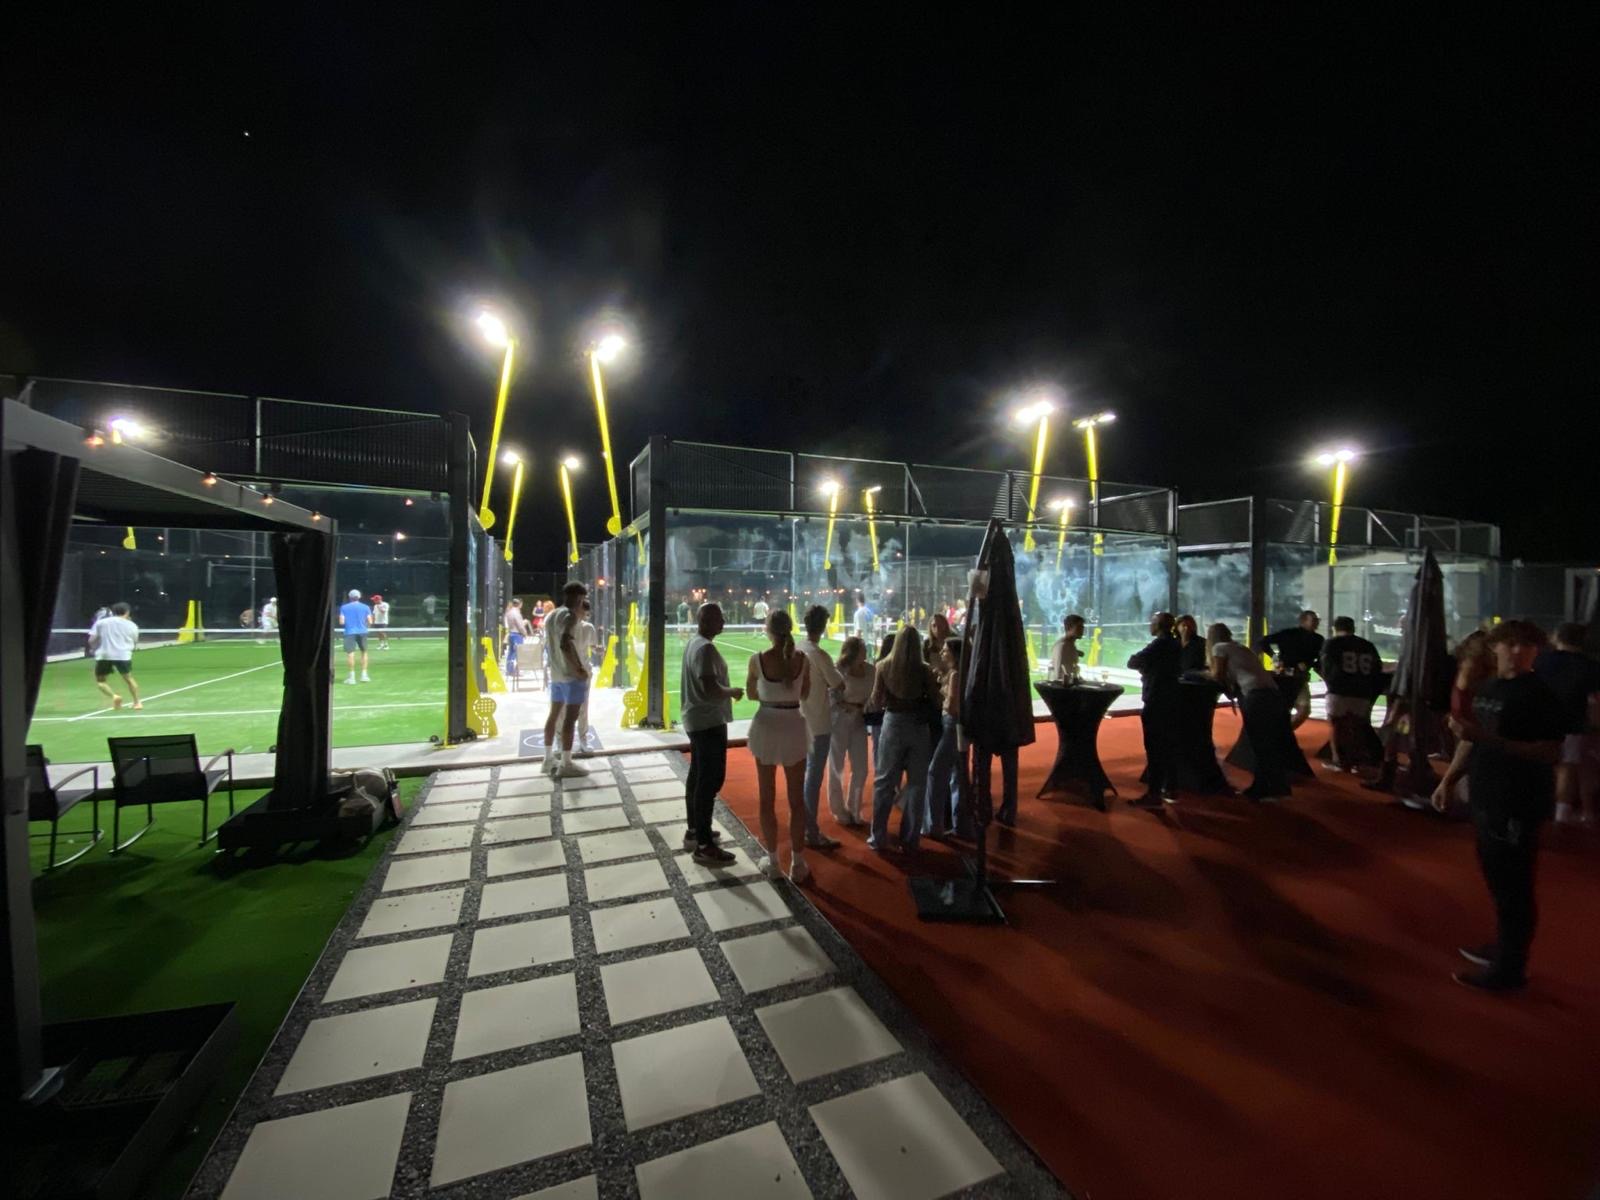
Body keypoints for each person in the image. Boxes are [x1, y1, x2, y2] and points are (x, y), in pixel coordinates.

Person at [1435, 621, 1565, 992]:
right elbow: (1471, 739)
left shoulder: (1540, 695)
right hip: (1488, 794)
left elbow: (1549, 751)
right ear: (1495, 647)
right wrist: (1448, 780)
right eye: (1509, 644)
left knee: (1514, 885)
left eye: (1525, 645)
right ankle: (1506, 947)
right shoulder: (1490, 688)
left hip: (1519, 800)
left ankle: (1511, 967)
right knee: (1497, 877)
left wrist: (1488, 739)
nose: (1516, 651)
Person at [745, 610, 813, 882]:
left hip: (767, 725)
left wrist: (768, 693)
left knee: (767, 798)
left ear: (768, 630)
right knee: (797, 801)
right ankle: (798, 863)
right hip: (793, 724)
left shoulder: (757, 660)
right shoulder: (803, 660)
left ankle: (773, 861)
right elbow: (805, 693)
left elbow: (751, 694)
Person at [680, 602, 742, 864]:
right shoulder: (705, 648)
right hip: (708, 721)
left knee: (697, 776)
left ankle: (695, 830)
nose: (723, 623)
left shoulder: (695, 643)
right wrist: (733, 692)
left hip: (696, 719)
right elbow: (710, 688)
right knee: (710, 781)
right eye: (719, 619)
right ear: (705, 621)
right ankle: (704, 845)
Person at [868, 624, 939, 851]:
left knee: (884, 781)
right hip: (918, 725)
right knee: (917, 783)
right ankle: (910, 838)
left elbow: (876, 701)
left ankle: (878, 836)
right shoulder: (924, 670)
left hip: (893, 723)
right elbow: (936, 700)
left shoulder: (883, 666)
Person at [1209, 622, 1293, 801]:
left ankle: (1268, 789)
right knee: (1269, 742)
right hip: (1273, 693)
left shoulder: (1219, 648)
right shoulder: (1241, 648)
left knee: (1260, 744)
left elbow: (1217, 675)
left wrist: (1201, 674)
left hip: (1256, 696)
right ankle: (1276, 786)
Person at [1534, 622, 1600, 824]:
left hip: (1541, 721)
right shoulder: (1591, 666)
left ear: (1557, 637)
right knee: (1572, 768)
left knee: (1550, 766)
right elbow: (1594, 700)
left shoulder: (1542, 661)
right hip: (1575, 724)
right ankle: (1570, 814)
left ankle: (1550, 811)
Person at [795, 605, 844, 850]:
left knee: (802, 777)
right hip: (817, 724)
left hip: (797, 721)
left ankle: (803, 827)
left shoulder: (797, 648)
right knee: (812, 780)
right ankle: (810, 831)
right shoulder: (819, 654)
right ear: (824, 626)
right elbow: (838, 683)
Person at [1129, 612, 1182, 805]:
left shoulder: (1158, 645)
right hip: (1171, 700)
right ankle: (1171, 788)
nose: (1149, 625)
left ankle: (1153, 794)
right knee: (1168, 746)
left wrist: (1145, 668)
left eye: (1152, 622)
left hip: (1156, 699)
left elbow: (1132, 662)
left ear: (1158, 625)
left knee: (1154, 748)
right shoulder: (1176, 644)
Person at [1319, 616, 1385, 771]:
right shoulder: (1367, 645)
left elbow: (1326, 666)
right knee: (1358, 726)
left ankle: (1338, 760)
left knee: (1336, 724)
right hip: (1362, 691)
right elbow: (1377, 667)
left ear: (1335, 628)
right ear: (1353, 628)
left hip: (1339, 689)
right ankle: (1358, 759)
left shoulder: (1332, 643)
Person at [542, 581, 593, 778]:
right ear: (580, 597)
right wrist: (579, 669)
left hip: (556, 675)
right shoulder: (570, 616)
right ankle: (566, 763)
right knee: (570, 720)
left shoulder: (551, 615)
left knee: (554, 715)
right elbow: (566, 643)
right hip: (571, 676)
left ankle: (548, 758)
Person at [827, 635, 874, 827]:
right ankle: (838, 809)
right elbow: (831, 696)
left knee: (861, 767)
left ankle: (855, 808)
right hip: (839, 721)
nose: (865, 652)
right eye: (862, 649)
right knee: (836, 766)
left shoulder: (870, 670)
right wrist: (849, 706)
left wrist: (866, 707)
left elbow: (874, 694)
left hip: (860, 721)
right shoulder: (839, 671)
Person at [1259, 610, 1324, 728]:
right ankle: (1283, 732)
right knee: (1289, 708)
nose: (1316, 623)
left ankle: (1283, 732)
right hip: (1286, 675)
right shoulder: (1290, 634)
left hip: (1298, 677)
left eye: (1317, 620)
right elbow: (1264, 642)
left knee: (1303, 710)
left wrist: (1275, 657)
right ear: (1303, 621)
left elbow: (1264, 642)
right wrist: (1276, 658)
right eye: (1313, 620)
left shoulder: (1318, 639)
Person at [926, 636, 964, 837]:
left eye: (945, 650)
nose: (941, 653)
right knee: (957, 774)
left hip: (950, 725)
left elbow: (951, 705)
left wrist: (941, 693)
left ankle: (935, 824)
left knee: (935, 772)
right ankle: (960, 824)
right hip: (955, 726)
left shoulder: (955, 675)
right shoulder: (954, 673)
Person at [89, 602, 142, 710]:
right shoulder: (132, 625)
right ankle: (137, 703)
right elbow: (135, 641)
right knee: (129, 679)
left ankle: (114, 696)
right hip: (123, 655)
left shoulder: (101, 623)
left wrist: (94, 649)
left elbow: (92, 640)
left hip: (104, 655)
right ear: (127, 612)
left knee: (101, 681)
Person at [574, 598, 599, 756]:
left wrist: (598, 650)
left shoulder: (588, 628)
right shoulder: (567, 626)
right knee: (574, 708)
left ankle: (582, 740)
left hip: (582, 671)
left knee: (582, 707)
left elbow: (594, 647)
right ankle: (575, 741)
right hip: (574, 671)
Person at [338, 589, 372, 684]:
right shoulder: (365, 607)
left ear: (350, 597)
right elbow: (370, 621)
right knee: (364, 652)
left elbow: (341, 622)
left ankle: (352, 677)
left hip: (349, 632)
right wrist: (365, 626)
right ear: (359, 597)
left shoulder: (344, 607)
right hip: (362, 632)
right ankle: (364, 675)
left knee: (350, 654)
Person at [1049, 613, 1086, 683]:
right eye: (1079, 627)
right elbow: (1060, 675)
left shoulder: (1070, 644)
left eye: (1083, 627)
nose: (1082, 630)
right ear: (1069, 628)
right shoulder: (1063, 646)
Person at [504, 598, 529, 676]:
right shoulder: (516, 613)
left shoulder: (509, 612)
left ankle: (509, 670)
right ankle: (514, 671)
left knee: (511, 653)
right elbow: (520, 625)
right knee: (517, 653)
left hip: (511, 633)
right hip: (517, 635)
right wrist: (525, 633)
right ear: (520, 604)